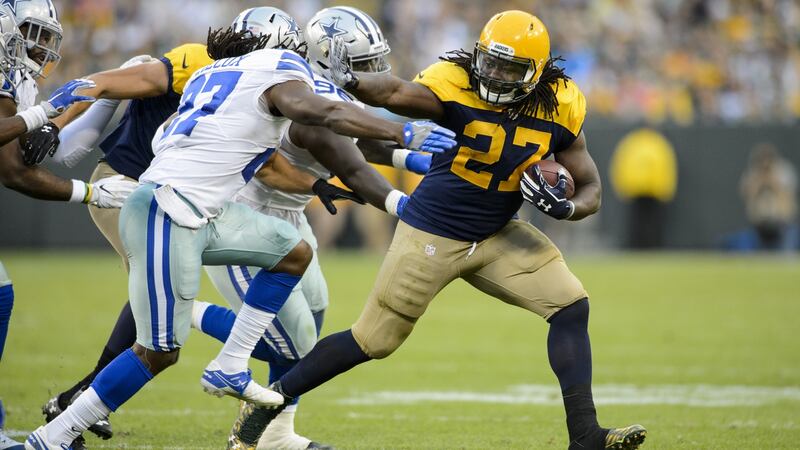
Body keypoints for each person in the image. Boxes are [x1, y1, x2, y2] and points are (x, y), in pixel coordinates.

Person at [24, 6, 456, 448]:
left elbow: (186, 137)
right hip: (170, 210)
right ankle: (52, 436)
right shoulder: (278, 67)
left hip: (203, 209)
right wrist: (400, 136)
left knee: (294, 252)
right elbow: (318, 114)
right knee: (158, 353)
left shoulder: (213, 73)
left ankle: (232, 365)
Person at [245, 10, 647, 450]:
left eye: (509, 68)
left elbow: (591, 188)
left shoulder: (561, 102)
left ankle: (585, 437)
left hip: (497, 233)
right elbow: (395, 91)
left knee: (570, 306)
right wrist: (355, 82)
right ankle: (269, 401)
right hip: (433, 232)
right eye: (490, 62)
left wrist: (567, 208)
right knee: (372, 341)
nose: (494, 75)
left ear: (536, 72)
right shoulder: (457, 82)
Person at [189, 6, 430, 449]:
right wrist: (408, 206)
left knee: (313, 313)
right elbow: (352, 167)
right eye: (364, 65)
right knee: (291, 343)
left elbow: (360, 143)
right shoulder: (307, 102)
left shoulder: (328, 96)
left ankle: (276, 435)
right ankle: (180, 310)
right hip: (245, 219)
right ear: (327, 61)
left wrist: (418, 159)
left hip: (290, 217)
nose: (376, 73)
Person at [0, 2, 134, 449]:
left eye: (45, 34)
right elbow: (13, 172)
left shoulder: (14, 77)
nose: (40, 45)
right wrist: (89, 193)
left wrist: (48, 118)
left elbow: (22, 159)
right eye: (30, 32)